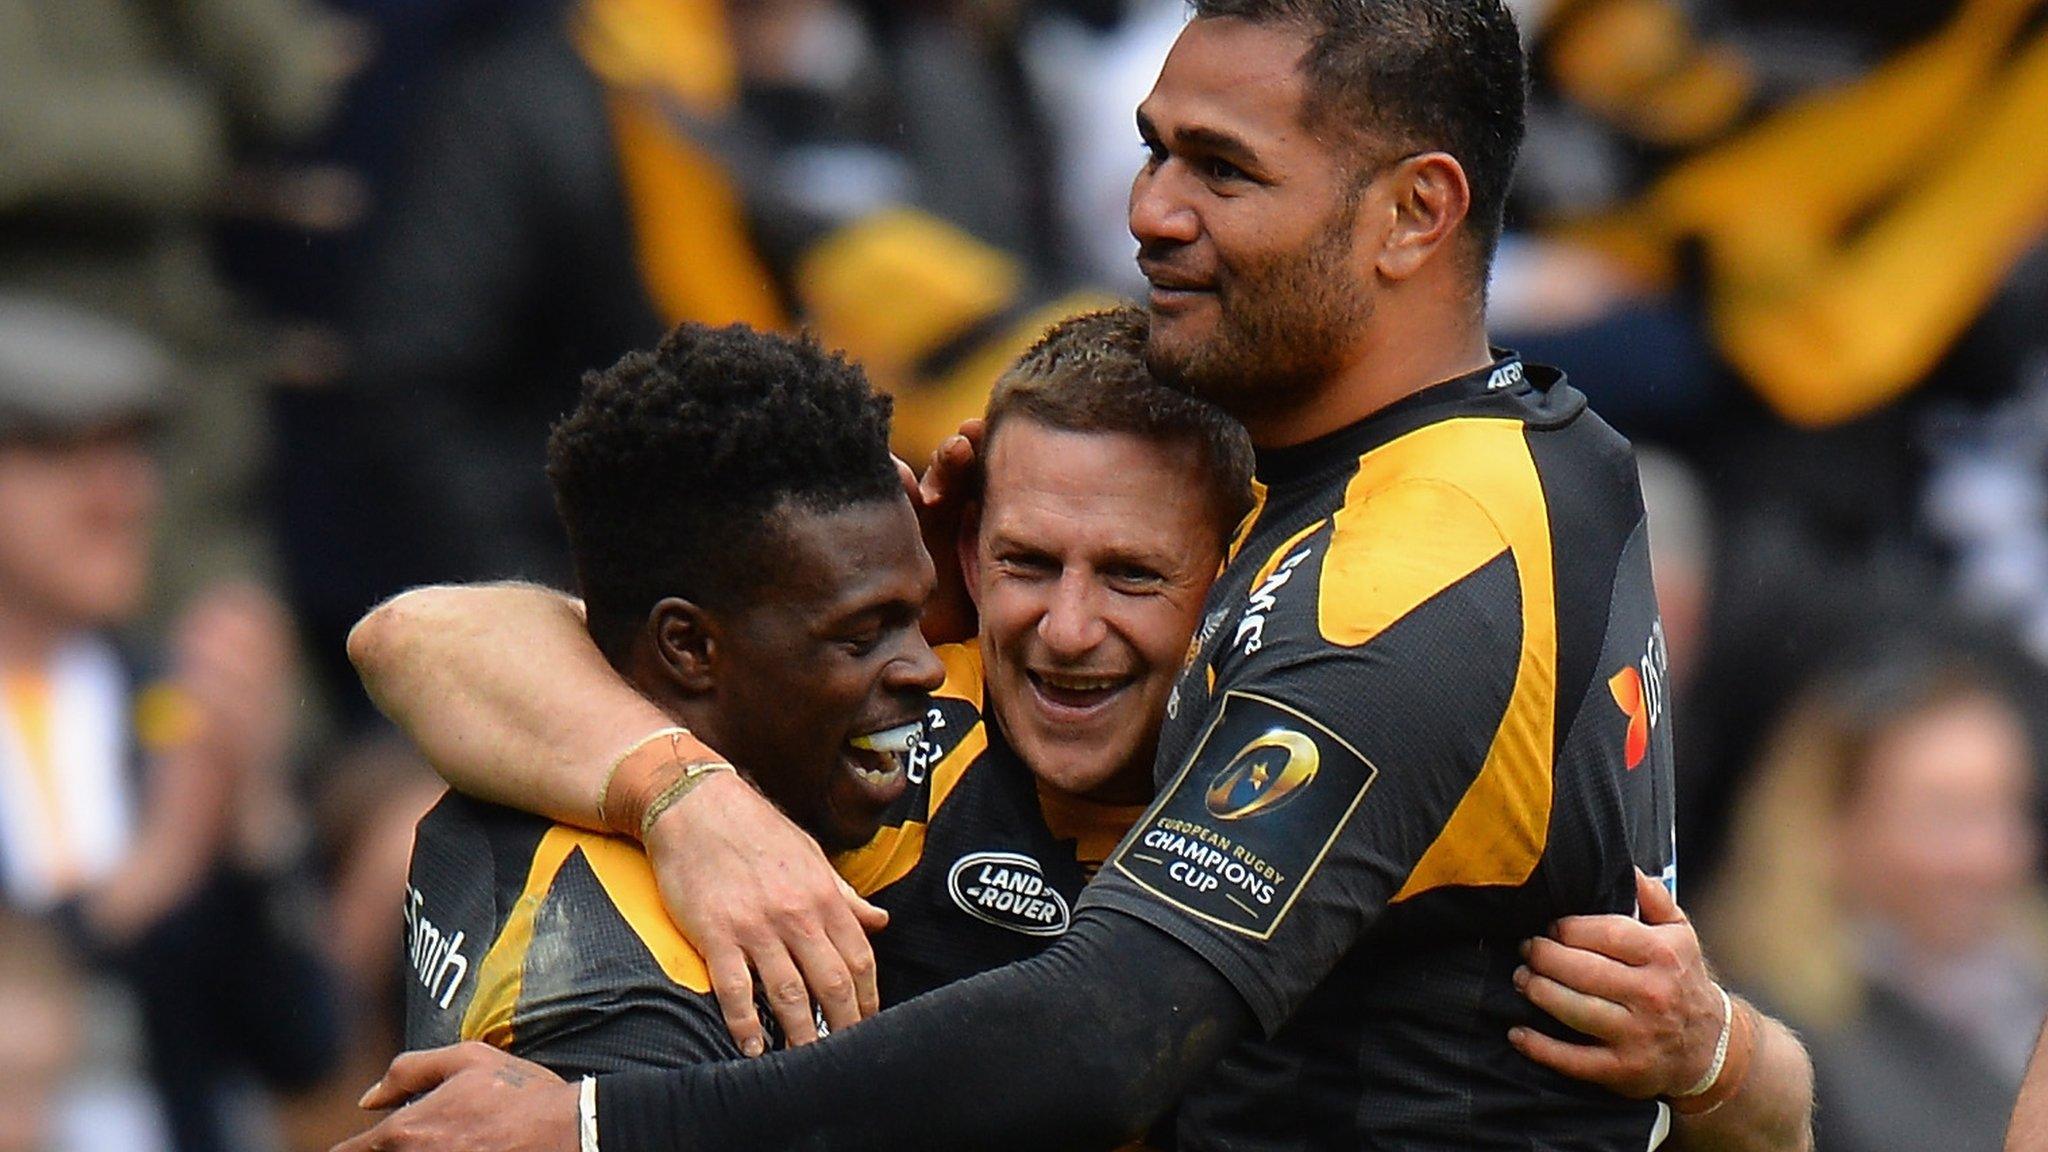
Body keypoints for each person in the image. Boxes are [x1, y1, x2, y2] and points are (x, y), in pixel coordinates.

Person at [337, 1, 1817, 1149]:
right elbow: (433, 637)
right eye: (1155, 146)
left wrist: (595, 1127)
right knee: (529, 824)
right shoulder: (1449, 469)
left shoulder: (1419, 552)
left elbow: (1116, 1029)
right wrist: (687, 791)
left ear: (1415, 213)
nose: (1149, 210)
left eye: (1221, 170)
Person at [404, 321, 946, 1071]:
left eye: (919, 616)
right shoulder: (626, 1000)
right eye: (863, 636)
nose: (929, 668)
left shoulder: (510, 769)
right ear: (689, 647)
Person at [0, 295, 341, 1152]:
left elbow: (303, 1049)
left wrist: (253, 826)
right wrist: (150, 873)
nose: (122, 498)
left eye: (131, 455)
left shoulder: (161, 702)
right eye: (67, 455)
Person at [1701, 645, 2046, 1152]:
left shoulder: (2026, 980)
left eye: (2006, 811)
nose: (1992, 857)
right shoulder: (1774, 1047)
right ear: (1828, 827)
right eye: (1947, 816)